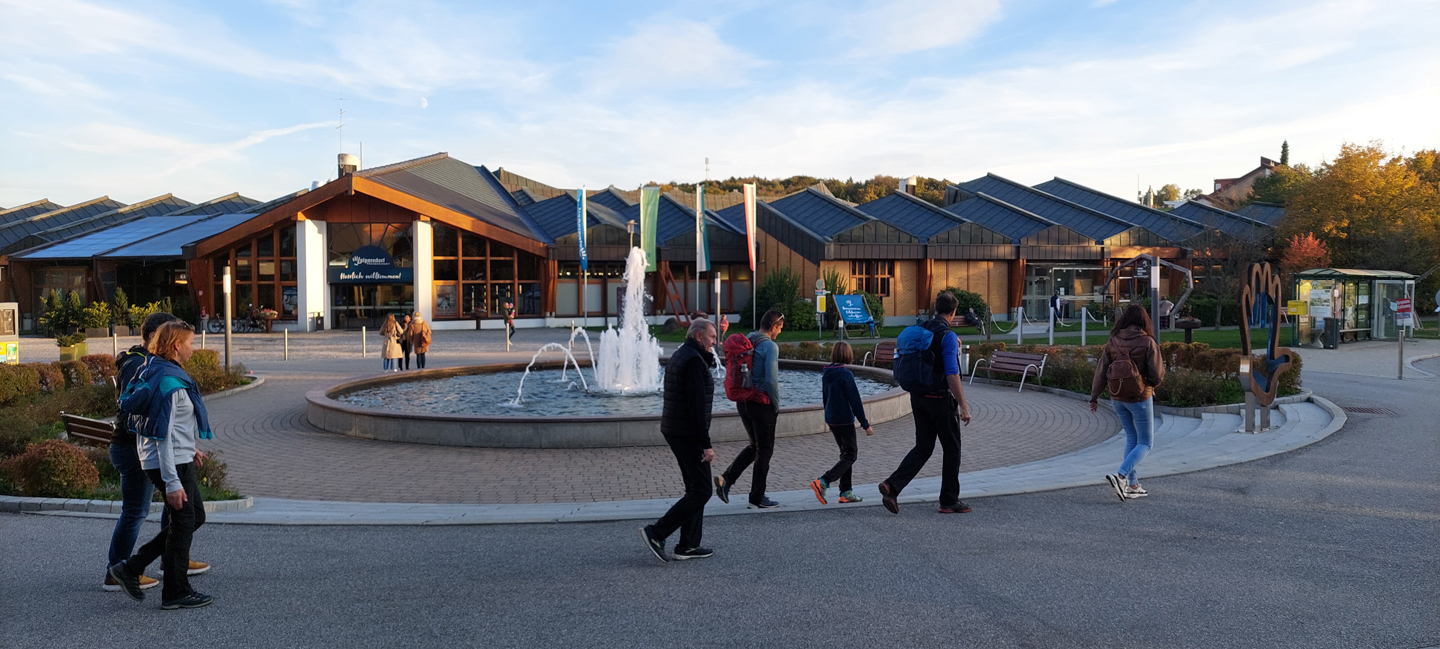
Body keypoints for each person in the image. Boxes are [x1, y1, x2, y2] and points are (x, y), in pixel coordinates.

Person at [108, 321, 215, 609]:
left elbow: (160, 427)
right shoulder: (170, 383)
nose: (193, 348)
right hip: (170, 464)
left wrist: (189, 448)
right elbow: (163, 436)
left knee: (193, 517)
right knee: (183, 524)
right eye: (190, 343)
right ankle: (175, 592)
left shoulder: (154, 371)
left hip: (168, 458)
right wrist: (172, 482)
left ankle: (131, 567)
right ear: (177, 345)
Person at [879, 292, 973, 515]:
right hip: (940, 399)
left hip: (918, 397)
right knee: (952, 449)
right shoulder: (947, 336)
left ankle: (892, 486)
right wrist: (963, 405)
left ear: (936, 309)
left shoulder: (922, 329)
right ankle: (949, 501)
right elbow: (952, 374)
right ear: (953, 312)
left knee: (923, 447)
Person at [641, 319, 719, 562]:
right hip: (687, 432)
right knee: (703, 489)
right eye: (712, 337)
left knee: (695, 488)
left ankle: (688, 545)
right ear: (698, 336)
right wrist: (705, 443)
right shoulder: (693, 361)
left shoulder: (683, 354)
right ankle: (656, 532)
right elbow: (696, 406)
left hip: (676, 429)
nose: (715, 342)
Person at [1090, 304, 1165, 501]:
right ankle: (1121, 476)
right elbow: (1157, 375)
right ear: (1144, 321)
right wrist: (1150, 384)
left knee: (1132, 439)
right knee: (1146, 443)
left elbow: (1101, 371)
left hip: (1117, 398)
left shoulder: (1113, 341)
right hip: (1140, 398)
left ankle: (1133, 485)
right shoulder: (1147, 342)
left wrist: (1094, 396)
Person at [716, 309, 784, 509]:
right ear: (773, 327)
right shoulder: (770, 346)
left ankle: (726, 480)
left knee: (755, 446)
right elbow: (771, 380)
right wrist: (776, 405)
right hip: (761, 404)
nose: (780, 332)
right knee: (765, 450)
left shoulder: (748, 339)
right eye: (780, 328)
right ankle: (757, 497)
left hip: (743, 402)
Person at [810, 342, 873, 505]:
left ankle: (846, 492)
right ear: (848, 355)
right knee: (851, 455)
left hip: (832, 419)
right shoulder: (846, 375)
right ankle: (823, 481)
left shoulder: (827, 373)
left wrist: (828, 416)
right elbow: (855, 402)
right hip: (844, 419)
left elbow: (825, 397)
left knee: (845, 455)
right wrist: (865, 424)